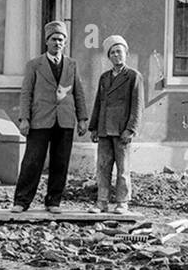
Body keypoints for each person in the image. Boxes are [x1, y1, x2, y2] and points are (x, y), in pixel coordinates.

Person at [13, 20, 88, 213]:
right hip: (40, 119)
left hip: (65, 120)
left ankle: (53, 201)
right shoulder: (34, 65)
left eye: (61, 40)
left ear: (65, 43)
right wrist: (24, 118)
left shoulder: (72, 64)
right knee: (32, 161)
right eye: (54, 39)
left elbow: (78, 93)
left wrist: (82, 118)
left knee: (60, 162)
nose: (57, 43)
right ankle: (21, 201)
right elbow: (26, 93)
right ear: (47, 41)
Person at [89, 35, 142, 214]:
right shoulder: (104, 77)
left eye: (119, 51)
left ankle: (122, 202)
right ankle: (101, 202)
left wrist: (131, 129)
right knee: (103, 167)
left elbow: (137, 105)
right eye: (112, 53)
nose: (116, 55)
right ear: (109, 57)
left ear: (126, 53)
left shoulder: (133, 76)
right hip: (104, 128)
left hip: (121, 130)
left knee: (123, 168)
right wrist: (94, 127)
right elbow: (99, 102)